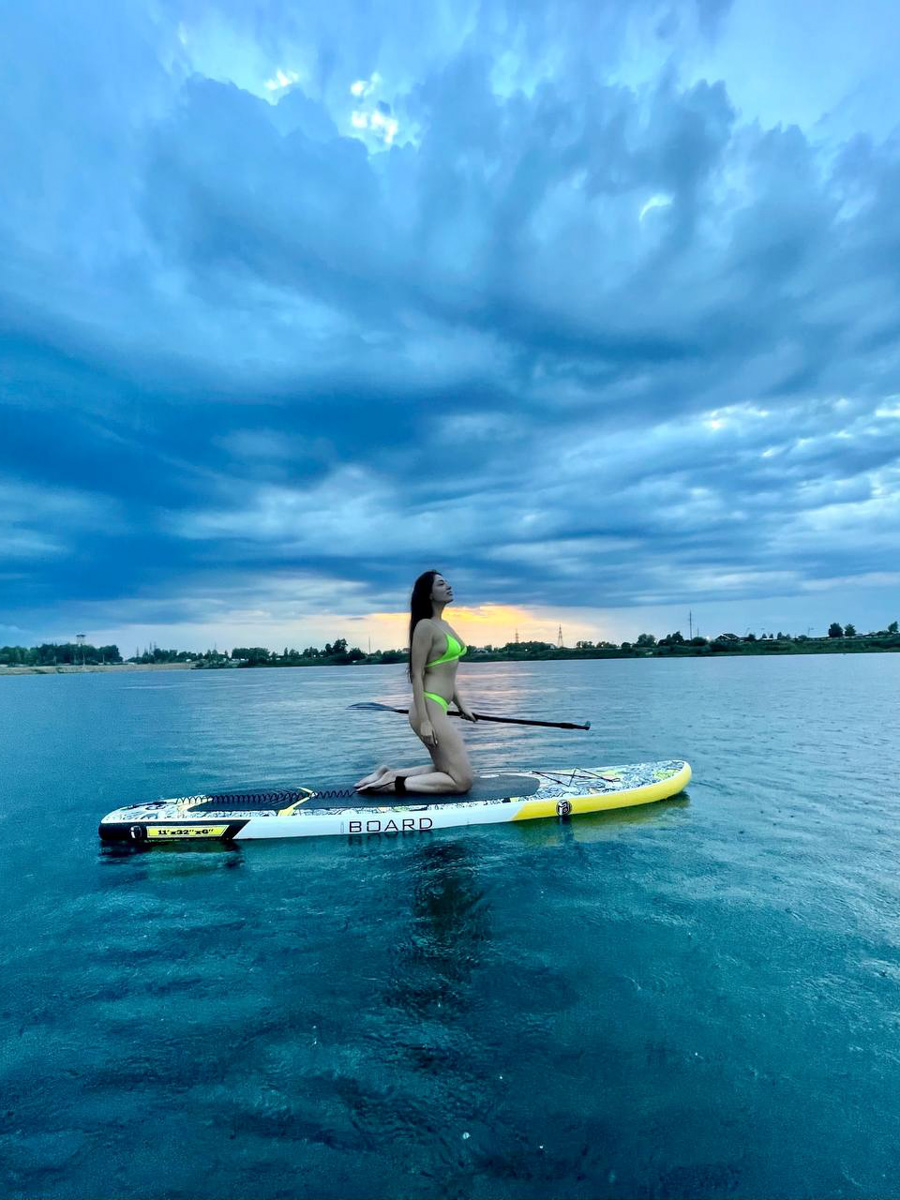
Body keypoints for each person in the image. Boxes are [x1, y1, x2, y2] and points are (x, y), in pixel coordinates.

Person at [355, 570, 476, 794]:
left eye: (447, 582)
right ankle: (392, 785)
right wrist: (425, 722)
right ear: (429, 594)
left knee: (446, 769)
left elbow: (448, 673)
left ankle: (389, 774)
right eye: (441, 584)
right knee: (463, 781)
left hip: (439, 706)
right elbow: (416, 675)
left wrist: (462, 706)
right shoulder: (425, 626)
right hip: (428, 708)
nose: (448, 586)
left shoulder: (445, 624)